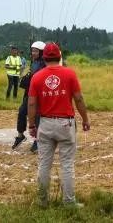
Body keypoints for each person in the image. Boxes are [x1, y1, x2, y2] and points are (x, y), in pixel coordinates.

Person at [27, 42, 90, 208]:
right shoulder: (70, 74)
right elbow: (79, 99)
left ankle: (42, 201)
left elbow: (32, 104)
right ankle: (69, 202)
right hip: (65, 124)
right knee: (67, 165)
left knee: (44, 165)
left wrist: (32, 125)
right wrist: (85, 119)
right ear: (60, 56)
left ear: (44, 57)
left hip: (45, 123)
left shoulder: (37, 77)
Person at [13, 41, 47, 150]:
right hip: (29, 92)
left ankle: (38, 140)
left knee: (37, 117)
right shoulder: (34, 62)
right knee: (22, 112)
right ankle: (20, 135)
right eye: (32, 50)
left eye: (36, 51)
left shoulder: (44, 64)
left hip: (39, 94)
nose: (33, 53)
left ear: (41, 52)